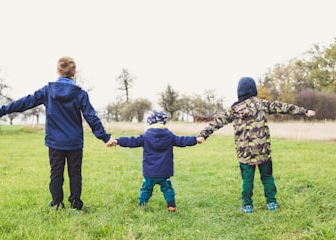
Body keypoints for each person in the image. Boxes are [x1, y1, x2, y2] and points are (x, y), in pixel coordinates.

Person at [0, 56, 115, 211]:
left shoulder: (48, 91)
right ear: (74, 72)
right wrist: (106, 137)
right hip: (74, 142)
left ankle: (56, 203)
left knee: (56, 174)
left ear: (58, 71)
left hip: (55, 142)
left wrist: (1, 111)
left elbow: (26, 102)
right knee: (75, 174)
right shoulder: (80, 94)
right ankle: (75, 204)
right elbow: (91, 117)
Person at [197, 77, 315, 214]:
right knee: (267, 177)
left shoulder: (234, 109)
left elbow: (217, 122)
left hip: (245, 154)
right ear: (253, 90)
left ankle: (247, 206)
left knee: (247, 180)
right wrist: (304, 111)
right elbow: (283, 107)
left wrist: (203, 134)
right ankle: (271, 203)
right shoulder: (261, 104)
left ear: (239, 91)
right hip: (263, 151)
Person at [109, 110, 204, 212]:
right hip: (164, 172)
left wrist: (118, 141)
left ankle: (142, 205)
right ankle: (171, 206)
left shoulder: (145, 136)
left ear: (150, 122)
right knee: (167, 189)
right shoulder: (170, 136)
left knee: (146, 189)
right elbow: (182, 140)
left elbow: (132, 141)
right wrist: (195, 140)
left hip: (150, 172)